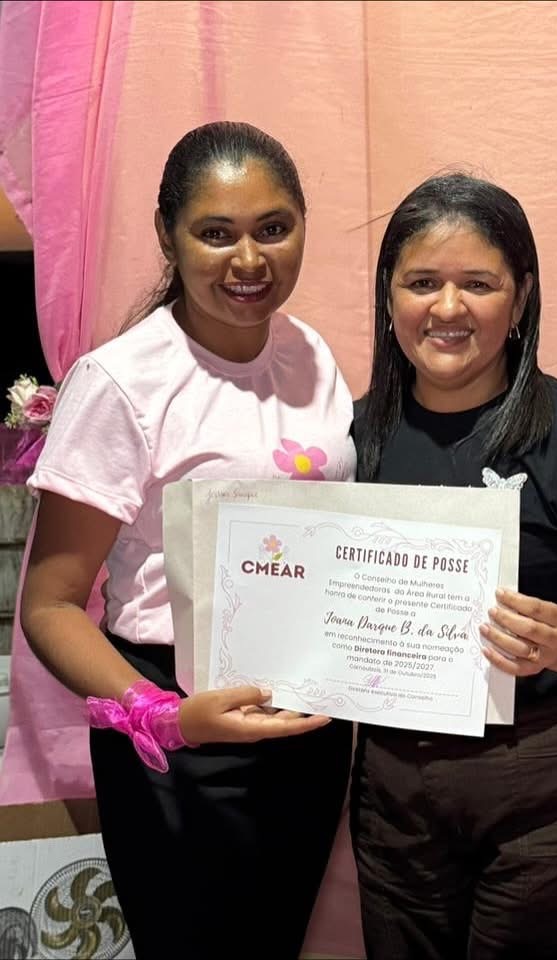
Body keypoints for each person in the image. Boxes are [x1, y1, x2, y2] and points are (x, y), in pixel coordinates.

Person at [20, 121, 356, 959]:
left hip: (305, 721)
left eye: (273, 228)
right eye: (216, 233)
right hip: (178, 726)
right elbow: (50, 606)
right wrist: (165, 717)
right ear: (169, 237)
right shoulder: (123, 381)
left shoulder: (312, 355)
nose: (249, 258)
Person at [351, 172, 557, 960]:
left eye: (479, 283)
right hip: (394, 796)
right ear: (388, 295)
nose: (448, 308)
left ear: (522, 297)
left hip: (550, 787)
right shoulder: (351, 438)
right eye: (422, 283)